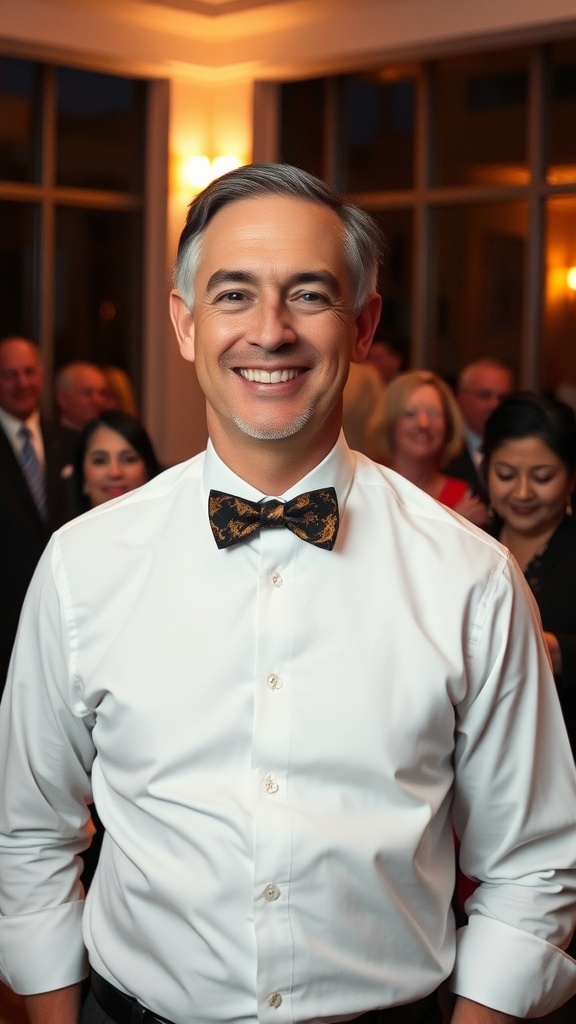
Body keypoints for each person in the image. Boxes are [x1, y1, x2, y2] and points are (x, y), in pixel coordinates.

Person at [0, 164, 576, 1024]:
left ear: (364, 324)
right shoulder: (82, 565)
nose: (269, 333)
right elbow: (29, 833)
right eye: (234, 295)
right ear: (187, 324)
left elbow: (534, 862)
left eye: (309, 295)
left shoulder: (471, 577)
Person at [483, 392, 576, 758]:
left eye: (542, 476)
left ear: (571, 479)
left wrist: (562, 653)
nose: (522, 492)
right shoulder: (468, 545)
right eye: (506, 475)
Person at [0, 335, 78, 696]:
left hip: (63, 611)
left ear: (42, 375)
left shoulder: (70, 442)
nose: (22, 383)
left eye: (29, 372)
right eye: (9, 374)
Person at [368, 369, 488, 525]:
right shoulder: (369, 488)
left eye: (434, 413)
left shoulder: (467, 497)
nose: (423, 423)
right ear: (389, 424)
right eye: (410, 414)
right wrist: (454, 524)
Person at [445, 359, 513, 504]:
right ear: (461, 398)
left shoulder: (520, 447)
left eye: (503, 398)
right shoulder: (443, 449)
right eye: (484, 395)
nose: (495, 405)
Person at [69, 410, 162, 516]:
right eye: (100, 461)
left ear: (148, 470)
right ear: (82, 476)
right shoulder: (64, 533)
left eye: (129, 459)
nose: (115, 473)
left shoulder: (177, 530)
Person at [54, 361, 108, 430]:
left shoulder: (111, 437)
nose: (98, 401)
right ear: (62, 399)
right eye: (87, 393)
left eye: (102, 393)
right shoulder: (45, 438)